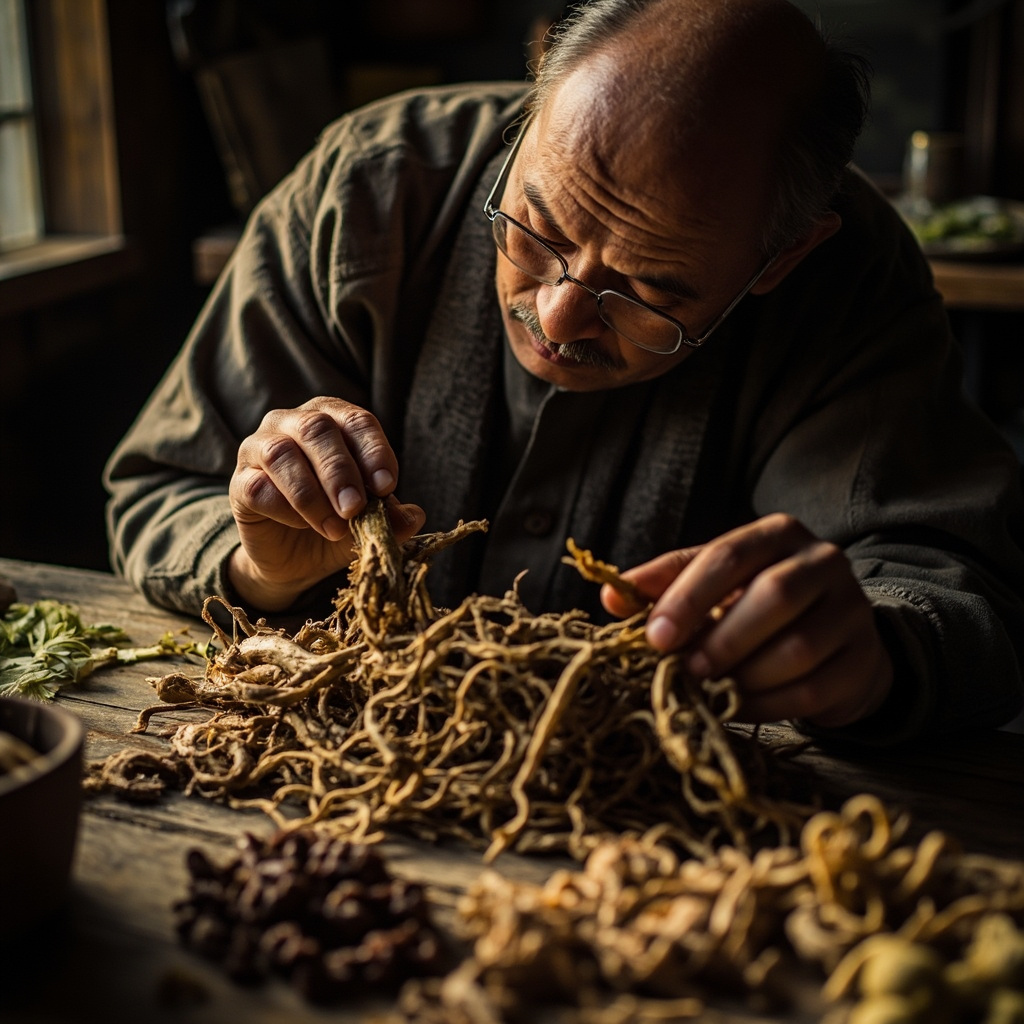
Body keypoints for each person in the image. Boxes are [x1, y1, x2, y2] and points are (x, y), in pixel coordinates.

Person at [104, 0, 1024, 744]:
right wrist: (259, 566)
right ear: (538, 91)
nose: (558, 316)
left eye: (649, 287)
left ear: (780, 258)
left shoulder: (853, 276)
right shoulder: (369, 190)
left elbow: (957, 586)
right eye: (535, 227)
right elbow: (156, 489)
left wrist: (877, 655)